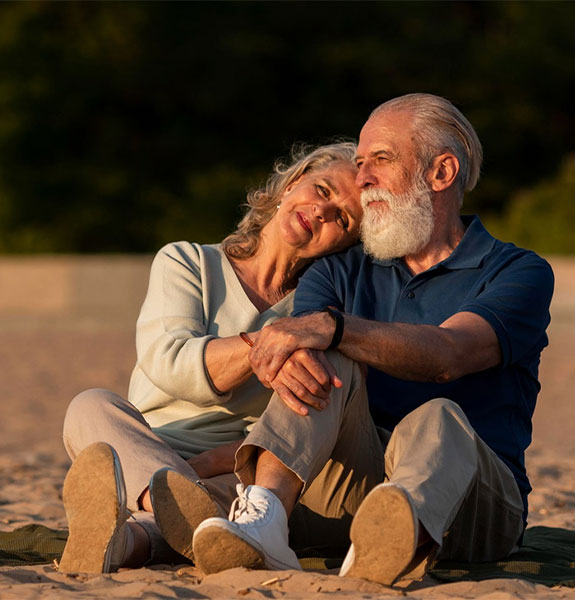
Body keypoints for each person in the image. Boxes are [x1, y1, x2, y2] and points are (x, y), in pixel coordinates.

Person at [186, 93, 554, 584]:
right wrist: (321, 336)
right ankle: (265, 520)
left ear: (441, 173)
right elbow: (303, 362)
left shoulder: (517, 271)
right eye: (360, 163)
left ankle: (399, 533)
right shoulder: (338, 271)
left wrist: (339, 327)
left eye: (380, 159)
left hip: (478, 500)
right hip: (356, 482)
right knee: (323, 360)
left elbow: (451, 354)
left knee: (437, 416)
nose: (362, 180)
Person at [58, 142, 364, 573]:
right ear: (293, 183)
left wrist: (218, 460)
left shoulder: (322, 312)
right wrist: (270, 342)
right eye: (324, 190)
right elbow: (170, 362)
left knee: (246, 498)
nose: (322, 212)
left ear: (348, 243)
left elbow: (303, 424)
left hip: (238, 463)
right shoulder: (188, 261)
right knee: (89, 406)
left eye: (343, 219)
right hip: (148, 442)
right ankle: (175, 505)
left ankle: (126, 540)